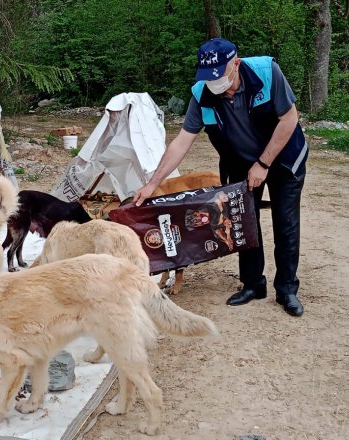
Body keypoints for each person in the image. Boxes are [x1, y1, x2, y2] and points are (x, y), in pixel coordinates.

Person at [131, 38, 308, 317]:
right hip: (240, 160)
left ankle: (286, 289)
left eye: (219, 75)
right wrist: (152, 184)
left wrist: (263, 163)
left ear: (235, 64)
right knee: (243, 223)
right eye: (208, 77)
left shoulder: (267, 72)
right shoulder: (202, 93)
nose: (214, 83)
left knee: (285, 223)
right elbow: (182, 141)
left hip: (283, 158)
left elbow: (289, 119)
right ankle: (253, 284)